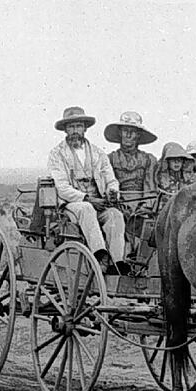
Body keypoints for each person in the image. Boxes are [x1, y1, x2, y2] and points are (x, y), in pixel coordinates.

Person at [46, 106, 127, 274]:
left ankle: (117, 263)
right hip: (72, 205)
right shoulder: (57, 154)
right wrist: (87, 198)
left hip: (99, 204)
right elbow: (62, 187)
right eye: (71, 127)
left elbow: (111, 179)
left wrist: (112, 192)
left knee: (115, 215)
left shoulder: (98, 153)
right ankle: (99, 254)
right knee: (86, 208)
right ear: (65, 130)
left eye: (78, 126)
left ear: (85, 128)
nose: (75, 131)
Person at [104, 111, 159, 198]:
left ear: (138, 135)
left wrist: (144, 208)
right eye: (125, 131)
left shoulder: (149, 159)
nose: (128, 135)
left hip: (142, 204)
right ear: (120, 133)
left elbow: (150, 189)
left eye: (132, 131)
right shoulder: (109, 159)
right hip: (117, 203)